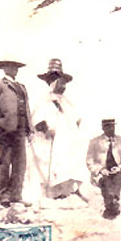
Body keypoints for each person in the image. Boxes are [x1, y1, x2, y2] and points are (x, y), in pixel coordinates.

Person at [31, 59, 85, 200]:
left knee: (67, 165)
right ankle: (49, 194)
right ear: (49, 82)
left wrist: (70, 131)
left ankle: (66, 193)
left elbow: (77, 119)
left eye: (61, 81)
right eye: (55, 80)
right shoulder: (44, 100)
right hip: (48, 142)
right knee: (48, 168)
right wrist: (46, 130)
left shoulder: (67, 102)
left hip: (65, 141)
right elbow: (36, 120)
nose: (60, 84)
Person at [0, 58, 34, 208]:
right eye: (10, 66)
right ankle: (4, 196)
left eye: (16, 67)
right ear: (4, 68)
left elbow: (27, 109)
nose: (14, 69)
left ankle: (16, 196)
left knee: (20, 163)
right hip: (6, 130)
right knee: (5, 162)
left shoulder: (22, 87)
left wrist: (30, 128)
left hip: (21, 129)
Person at [86, 119, 121, 219]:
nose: (111, 129)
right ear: (103, 128)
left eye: (112, 126)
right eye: (107, 126)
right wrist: (100, 169)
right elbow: (89, 161)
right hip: (103, 172)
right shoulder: (94, 142)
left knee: (118, 179)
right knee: (105, 182)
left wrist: (120, 168)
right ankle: (111, 203)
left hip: (118, 172)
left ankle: (114, 201)